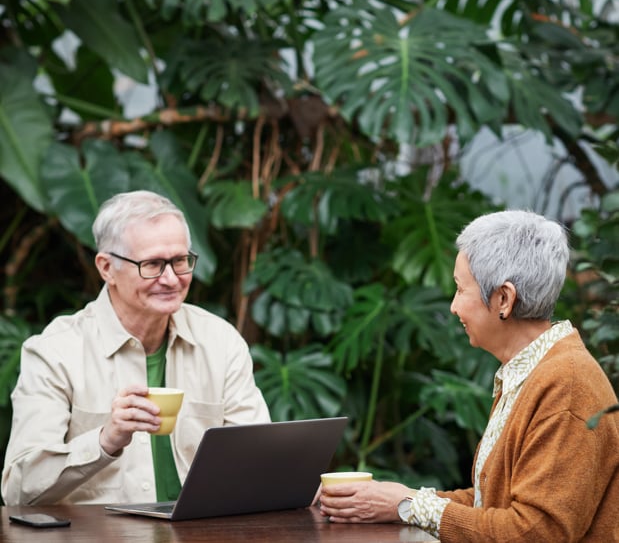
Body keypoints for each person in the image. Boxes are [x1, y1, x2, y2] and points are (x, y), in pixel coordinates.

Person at [319, 210, 619, 542]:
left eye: (461, 290)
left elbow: (536, 531)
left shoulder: (567, 385)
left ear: (503, 298)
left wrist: (411, 505)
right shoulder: (534, 370)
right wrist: (396, 500)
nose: (453, 306)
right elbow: (489, 505)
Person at [1, 190, 270, 506]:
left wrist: (318, 493)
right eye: (153, 264)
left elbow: (260, 463)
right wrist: (106, 441)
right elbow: (18, 491)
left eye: (180, 261)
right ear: (107, 268)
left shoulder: (220, 341)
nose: (171, 279)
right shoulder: (55, 351)